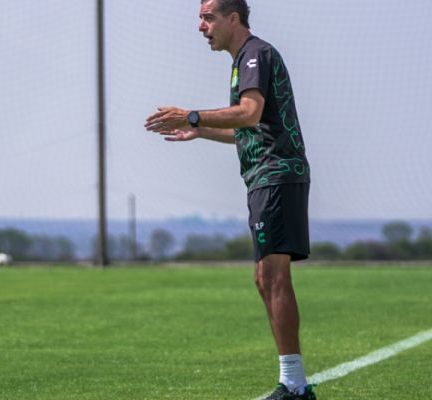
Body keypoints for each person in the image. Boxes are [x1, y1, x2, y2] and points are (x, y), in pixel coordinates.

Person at [144, 1, 315, 399]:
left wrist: (192, 116)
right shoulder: (242, 61)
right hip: (265, 179)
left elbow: (249, 113)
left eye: (208, 18)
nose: (201, 27)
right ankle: (293, 383)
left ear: (233, 18)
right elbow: (249, 128)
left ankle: (294, 385)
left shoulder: (255, 54)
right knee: (263, 278)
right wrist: (200, 130)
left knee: (273, 277)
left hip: (276, 175)